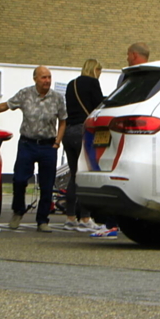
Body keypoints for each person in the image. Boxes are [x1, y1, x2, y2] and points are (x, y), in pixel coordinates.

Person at [0, 66, 66, 232]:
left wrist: (57, 142)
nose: (47, 81)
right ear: (35, 79)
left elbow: (63, 121)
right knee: (19, 180)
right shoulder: (25, 94)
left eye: (49, 77)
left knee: (47, 185)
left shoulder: (57, 98)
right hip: (27, 144)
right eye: (43, 77)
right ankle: (18, 211)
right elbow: (7, 105)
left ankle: (42, 220)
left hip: (48, 145)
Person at [62, 59, 106, 232]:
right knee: (86, 175)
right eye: (99, 71)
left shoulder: (71, 84)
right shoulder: (93, 83)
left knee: (74, 175)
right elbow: (98, 107)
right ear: (95, 70)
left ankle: (70, 217)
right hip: (83, 131)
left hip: (68, 132)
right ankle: (85, 218)